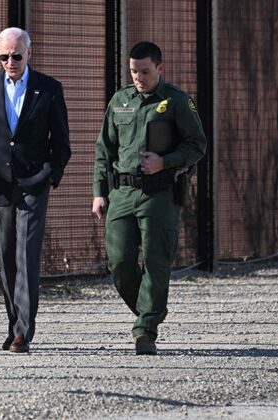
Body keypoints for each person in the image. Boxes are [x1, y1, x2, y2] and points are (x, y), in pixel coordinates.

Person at [0, 27, 71, 353]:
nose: (10, 62)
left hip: (33, 184)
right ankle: (14, 324)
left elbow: (61, 144)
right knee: (5, 257)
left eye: (16, 56)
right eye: (4, 56)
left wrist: (50, 174)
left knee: (26, 255)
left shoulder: (48, 89)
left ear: (29, 52)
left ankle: (23, 331)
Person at [92, 41, 206, 355]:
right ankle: (151, 308)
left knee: (156, 262)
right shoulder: (120, 102)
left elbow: (198, 145)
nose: (139, 77)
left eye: (145, 71)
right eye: (133, 71)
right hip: (122, 193)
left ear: (160, 68)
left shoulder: (177, 101)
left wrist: (165, 162)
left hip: (159, 194)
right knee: (119, 264)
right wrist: (99, 193)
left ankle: (145, 330)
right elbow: (104, 151)